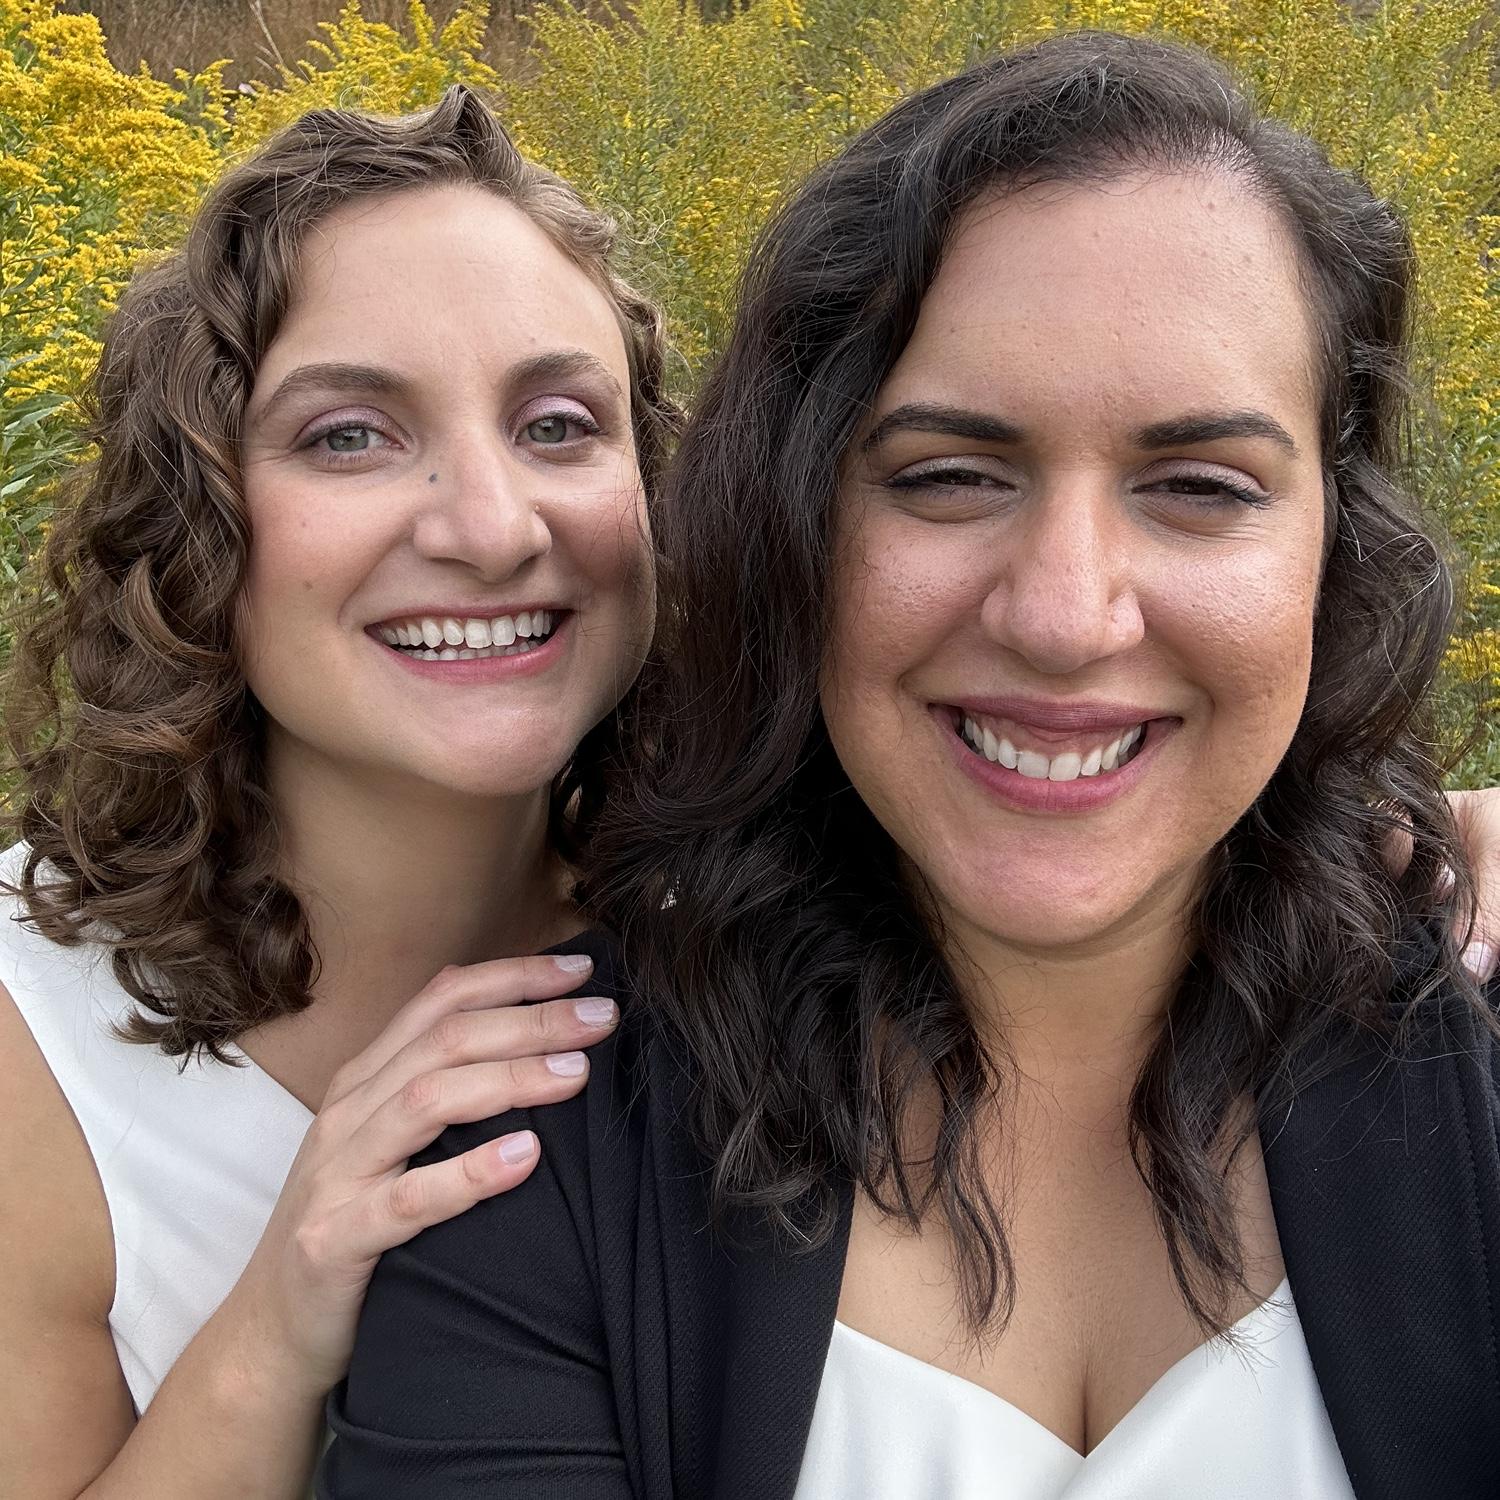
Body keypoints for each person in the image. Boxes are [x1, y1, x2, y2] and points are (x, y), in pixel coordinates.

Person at [321, 32, 1500, 1500]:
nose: (1064, 616)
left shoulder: (1474, 1053)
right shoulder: (536, 1157)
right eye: (949, 476)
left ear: (1336, 548)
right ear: (795, 526)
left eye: (1200, 486)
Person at [0, 90, 678, 1498]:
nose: (491, 528)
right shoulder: (31, 1035)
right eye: (350, 436)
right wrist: (275, 1323)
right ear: (195, 518)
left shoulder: (752, 940)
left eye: (559, 424)